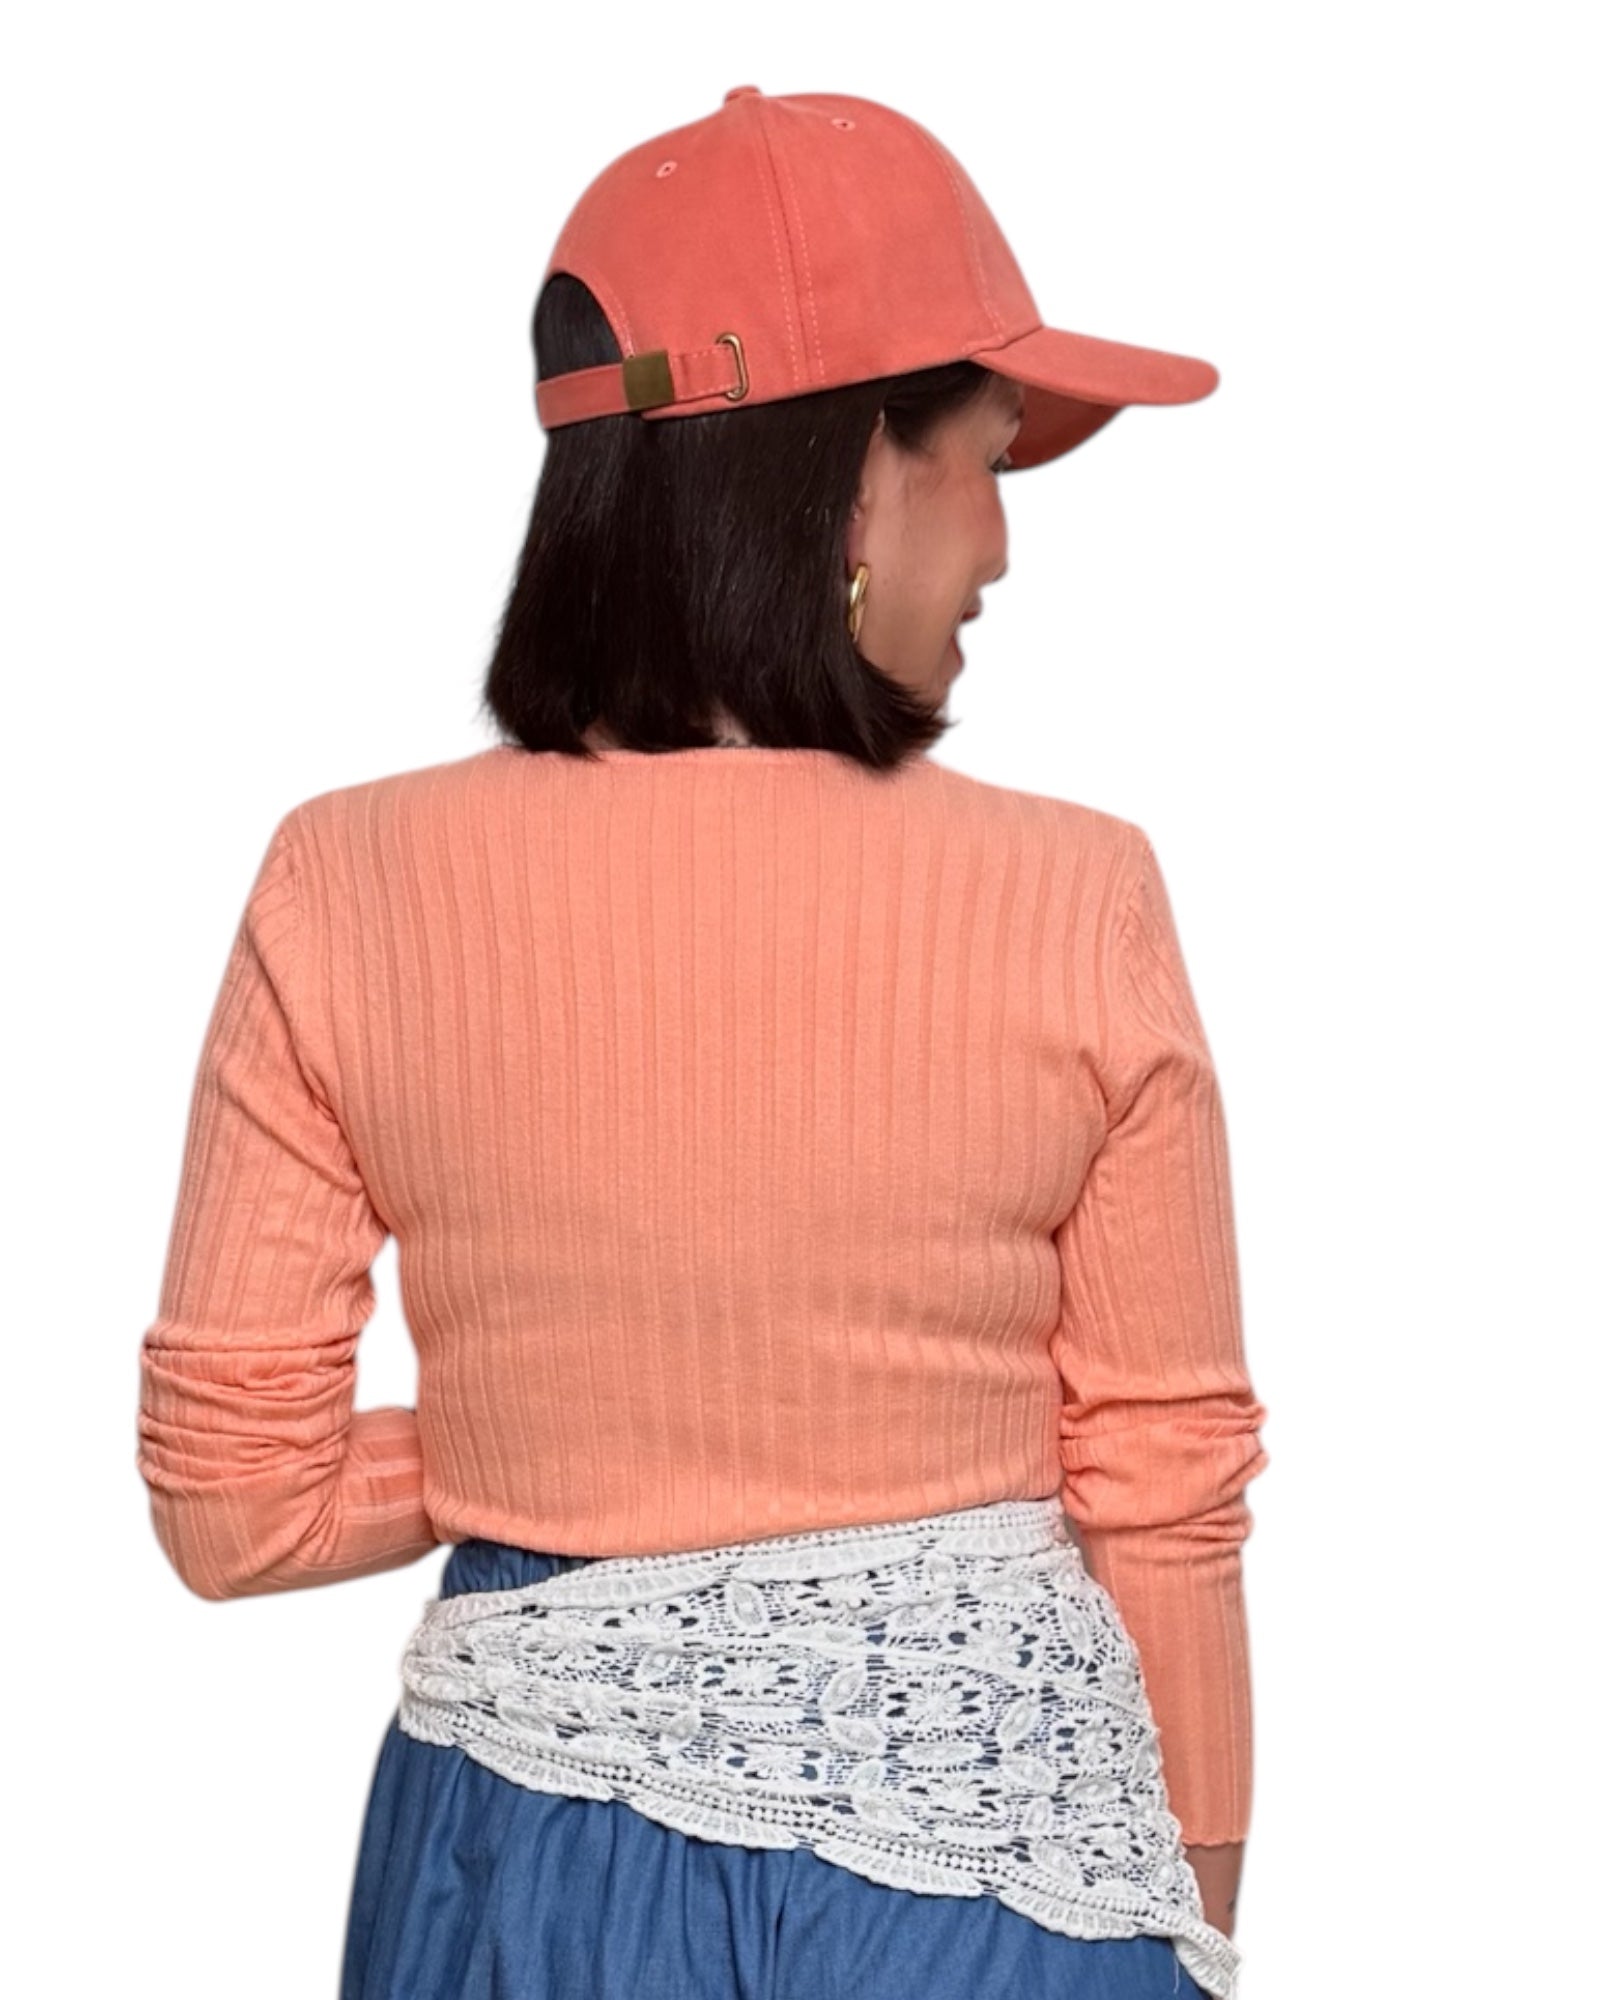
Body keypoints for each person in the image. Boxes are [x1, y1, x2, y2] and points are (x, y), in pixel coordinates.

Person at [134, 84, 1270, 2000]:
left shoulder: (347, 883)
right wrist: (1204, 1909)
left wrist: (550, 1447)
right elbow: (1160, 1477)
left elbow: (238, 1510)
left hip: (524, 1858)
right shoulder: (1078, 895)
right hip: (1000, 1882)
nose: (1002, 545)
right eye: (990, 457)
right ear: (855, 475)